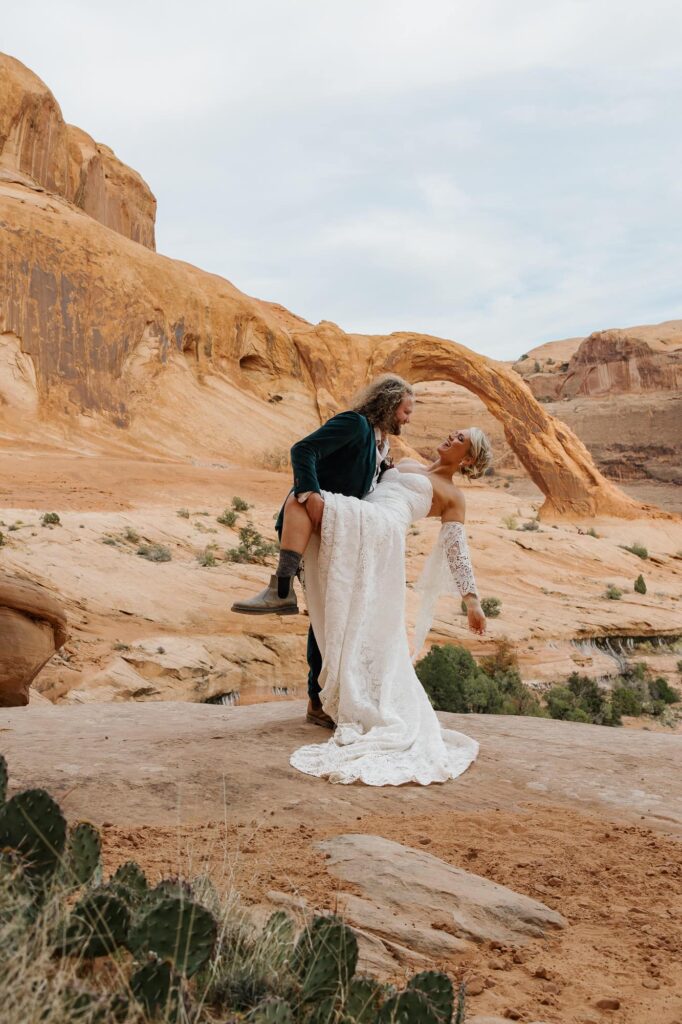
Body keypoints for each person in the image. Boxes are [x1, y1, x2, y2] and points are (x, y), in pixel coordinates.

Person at [287, 426, 491, 785]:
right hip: (362, 524)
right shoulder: (408, 461)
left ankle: (279, 589)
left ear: (469, 459)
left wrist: (472, 601)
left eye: (460, 440)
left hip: (382, 532)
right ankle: (323, 690)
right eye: (453, 433)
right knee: (343, 610)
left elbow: (456, 547)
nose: (450, 437)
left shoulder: (453, 496)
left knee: (301, 498)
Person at [231, 374, 415, 727]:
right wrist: (309, 493)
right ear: (391, 404)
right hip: (312, 527)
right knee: (323, 613)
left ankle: (325, 698)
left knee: (331, 612)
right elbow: (303, 450)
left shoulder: (381, 443)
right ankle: (281, 593)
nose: (408, 418)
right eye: (406, 411)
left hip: (340, 531)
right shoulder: (354, 424)